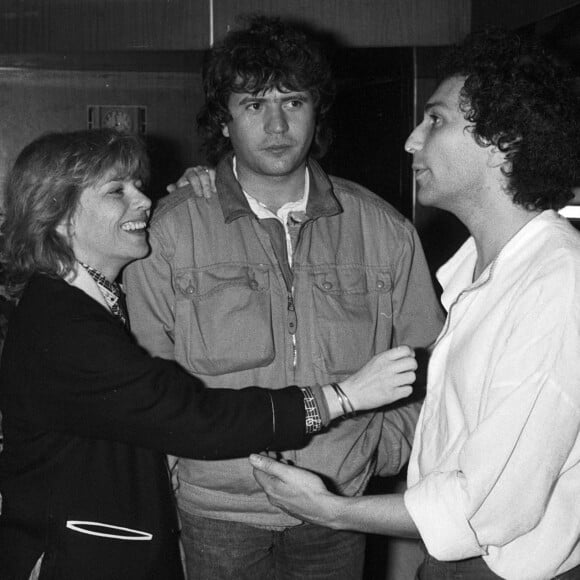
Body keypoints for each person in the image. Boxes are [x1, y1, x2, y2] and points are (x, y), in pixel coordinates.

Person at [0, 128, 418, 580]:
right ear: (60, 219)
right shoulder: (65, 325)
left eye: (138, 185)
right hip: (76, 557)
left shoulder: (81, 300)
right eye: (116, 191)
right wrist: (343, 397)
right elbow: (192, 416)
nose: (143, 200)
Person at [250, 27, 580, 580]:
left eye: (437, 119)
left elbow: (486, 506)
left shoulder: (557, 285)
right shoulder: (481, 275)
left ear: (503, 142)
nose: (411, 140)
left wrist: (332, 511)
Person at [124, 15, 444, 580]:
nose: (277, 125)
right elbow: (148, 377)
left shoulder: (382, 229)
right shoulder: (171, 231)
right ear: (224, 121)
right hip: (215, 511)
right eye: (253, 105)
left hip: (336, 507)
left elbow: (432, 362)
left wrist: (376, 452)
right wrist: (179, 473)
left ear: (316, 111)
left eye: (293, 102)